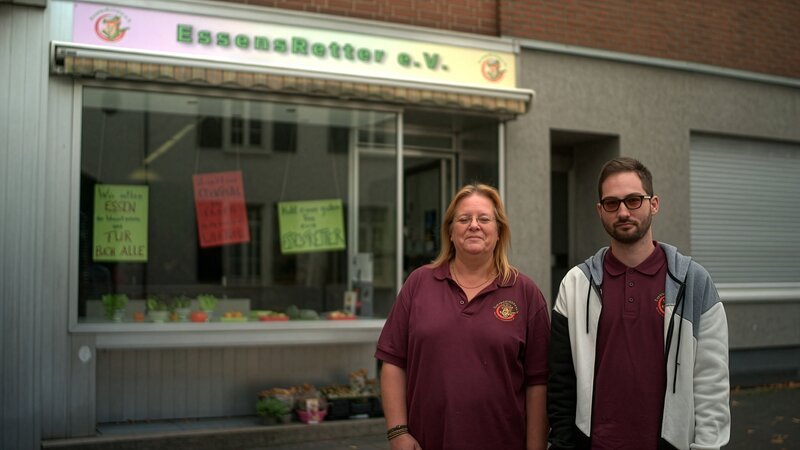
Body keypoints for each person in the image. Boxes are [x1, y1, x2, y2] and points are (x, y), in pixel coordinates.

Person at [547, 157, 730, 450]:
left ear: (653, 204)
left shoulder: (693, 283)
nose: (622, 212)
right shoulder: (576, 284)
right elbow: (561, 384)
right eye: (611, 203)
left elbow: (711, 383)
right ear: (600, 211)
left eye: (633, 200)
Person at [376, 183, 550, 450]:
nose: (474, 225)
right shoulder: (419, 283)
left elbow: (538, 383)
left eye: (484, 219)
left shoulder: (525, 292)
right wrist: (398, 432)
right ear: (450, 230)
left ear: (499, 230)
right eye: (464, 219)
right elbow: (393, 362)